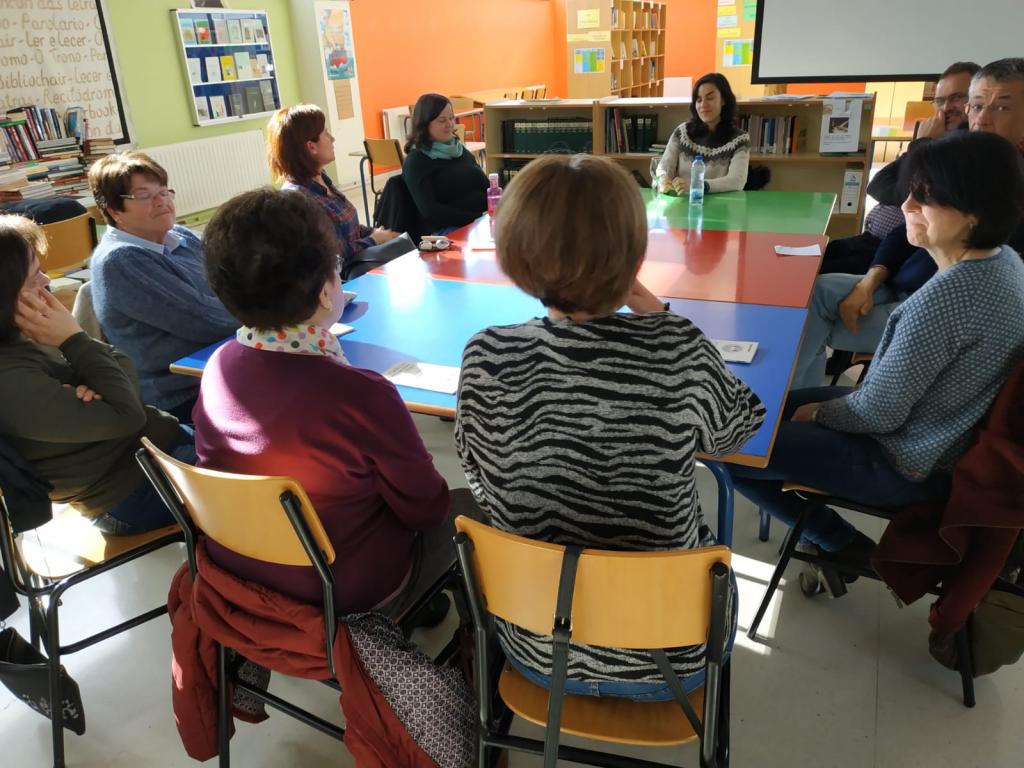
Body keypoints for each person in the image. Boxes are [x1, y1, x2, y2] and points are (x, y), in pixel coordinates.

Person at [455, 154, 765, 700]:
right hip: (670, 654)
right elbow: (740, 429)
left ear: (515, 252)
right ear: (634, 255)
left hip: (534, 646)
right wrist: (662, 314)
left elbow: (477, 472)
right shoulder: (678, 350)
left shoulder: (485, 356)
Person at [728, 130, 1024, 586]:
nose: (905, 206)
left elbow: (877, 413)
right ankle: (826, 538)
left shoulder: (946, 300)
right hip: (947, 439)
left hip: (910, 462)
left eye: (924, 198)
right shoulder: (1006, 263)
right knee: (754, 412)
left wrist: (816, 413)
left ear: (971, 214)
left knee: (733, 446)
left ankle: (839, 543)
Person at [194, 187, 465, 619]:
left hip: (242, 572)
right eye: (337, 269)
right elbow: (427, 507)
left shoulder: (218, 367)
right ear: (324, 292)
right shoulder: (361, 394)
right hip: (339, 591)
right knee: (466, 508)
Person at [793, 57, 1024, 389]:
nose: (982, 118)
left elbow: (967, 295)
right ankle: (794, 400)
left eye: (1002, 108)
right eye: (975, 106)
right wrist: (869, 282)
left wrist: (817, 413)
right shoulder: (959, 155)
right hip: (900, 277)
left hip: (931, 307)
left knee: (809, 321)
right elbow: (900, 214)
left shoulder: (1000, 183)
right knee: (814, 291)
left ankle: (794, 410)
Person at [0, 214, 196, 534]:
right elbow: (127, 414)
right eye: (35, 275)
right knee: (282, 473)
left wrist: (93, 369)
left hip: (155, 454)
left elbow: (122, 363)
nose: (47, 281)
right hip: (132, 492)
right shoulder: (9, 377)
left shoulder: (26, 333)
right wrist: (74, 341)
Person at [88, 151, 239, 421]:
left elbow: (236, 275)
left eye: (165, 192)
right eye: (144, 195)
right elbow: (204, 319)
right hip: (183, 395)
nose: (162, 202)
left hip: (226, 362)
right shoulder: (121, 260)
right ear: (113, 210)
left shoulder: (178, 236)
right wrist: (274, 307)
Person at [820, 61, 979, 276]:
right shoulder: (936, 143)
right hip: (869, 240)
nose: (946, 108)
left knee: (809, 275)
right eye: (940, 100)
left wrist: (921, 142)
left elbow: (907, 192)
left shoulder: (967, 152)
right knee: (807, 257)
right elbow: (877, 185)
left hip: (891, 255)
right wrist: (922, 147)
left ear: (977, 99)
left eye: (957, 98)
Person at [267, 104, 398, 269]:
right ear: (311, 147)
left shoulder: (321, 178)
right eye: (326, 133)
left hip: (362, 262)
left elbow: (349, 230)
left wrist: (376, 233)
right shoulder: (298, 200)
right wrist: (375, 239)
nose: (332, 138)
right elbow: (333, 258)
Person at [402, 93, 488, 235]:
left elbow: (486, 187)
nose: (450, 124)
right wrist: (475, 217)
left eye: (451, 118)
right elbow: (431, 211)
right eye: (442, 120)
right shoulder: (417, 161)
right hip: (444, 231)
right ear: (424, 124)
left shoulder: (458, 150)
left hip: (475, 223)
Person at [655, 72, 750, 195]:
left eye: (710, 98)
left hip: (721, 208)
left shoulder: (740, 139)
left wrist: (698, 185)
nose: (703, 105)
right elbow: (663, 168)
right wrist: (663, 181)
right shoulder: (682, 132)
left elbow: (737, 181)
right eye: (699, 100)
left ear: (724, 100)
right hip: (682, 205)